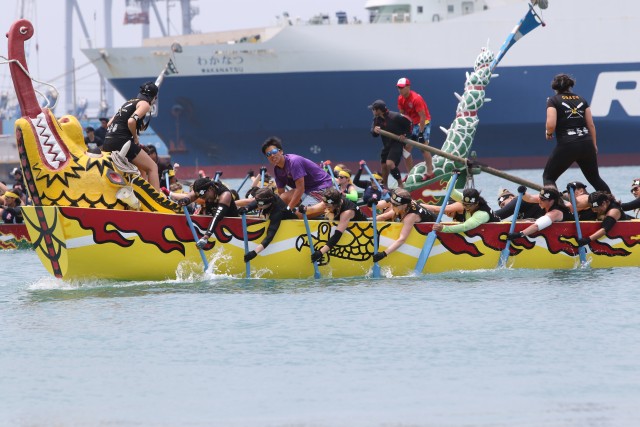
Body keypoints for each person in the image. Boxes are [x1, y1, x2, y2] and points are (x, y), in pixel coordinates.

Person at [543, 73, 610, 193]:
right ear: (570, 86)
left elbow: (551, 124)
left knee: (549, 177)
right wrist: (594, 145)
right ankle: (613, 206)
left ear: (555, 87)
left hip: (568, 144)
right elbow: (591, 125)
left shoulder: (553, 100)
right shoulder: (581, 99)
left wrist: (548, 133)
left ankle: (557, 208)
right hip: (587, 143)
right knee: (595, 178)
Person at [102, 81, 161, 190]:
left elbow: (109, 123)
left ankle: (141, 194)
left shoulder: (129, 102)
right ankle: (157, 199)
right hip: (122, 142)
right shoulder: (145, 104)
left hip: (108, 142)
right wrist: (135, 138)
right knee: (153, 167)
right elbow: (131, 121)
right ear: (154, 97)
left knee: (142, 169)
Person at [262, 136, 333, 209]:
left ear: (281, 151)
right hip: (306, 190)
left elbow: (300, 189)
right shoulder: (277, 170)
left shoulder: (294, 161)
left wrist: (288, 208)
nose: (272, 155)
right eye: (268, 154)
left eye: (274, 151)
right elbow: (281, 193)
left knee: (300, 213)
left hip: (322, 187)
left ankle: (325, 207)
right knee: (283, 198)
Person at [372, 188, 436, 262]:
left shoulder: (411, 216)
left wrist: (384, 253)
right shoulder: (403, 204)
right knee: (382, 216)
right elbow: (384, 214)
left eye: (395, 205)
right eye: (392, 203)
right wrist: (374, 203)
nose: (392, 206)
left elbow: (402, 239)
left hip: (434, 231)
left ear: (404, 205)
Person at [307, 187, 368, 263]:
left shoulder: (347, 213)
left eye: (328, 206)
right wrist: (303, 209)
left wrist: (320, 252)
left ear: (335, 205)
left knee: (328, 215)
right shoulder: (330, 200)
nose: (325, 206)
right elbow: (312, 209)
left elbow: (337, 235)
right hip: (341, 222)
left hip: (360, 234)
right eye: (325, 204)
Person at [240, 187, 299, 262]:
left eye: (260, 203)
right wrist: (246, 208)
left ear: (269, 202)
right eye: (257, 200)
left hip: (291, 227)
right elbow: (256, 203)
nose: (258, 204)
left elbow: (270, 236)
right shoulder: (267, 199)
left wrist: (254, 252)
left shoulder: (277, 212)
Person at [179, 177, 239, 249]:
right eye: (201, 197)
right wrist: (185, 200)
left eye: (204, 197)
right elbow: (191, 196)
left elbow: (216, 218)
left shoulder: (225, 195)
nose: (205, 199)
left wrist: (205, 237)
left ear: (210, 189)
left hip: (230, 227)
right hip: (213, 225)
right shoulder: (202, 189)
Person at [396, 77, 434, 180]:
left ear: (408, 87)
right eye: (398, 88)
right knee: (405, 150)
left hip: (423, 122)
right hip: (412, 123)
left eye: (402, 87)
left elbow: (423, 117)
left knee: (423, 147)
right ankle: (411, 173)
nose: (400, 90)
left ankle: (430, 172)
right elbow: (402, 116)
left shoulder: (416, 99)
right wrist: (402, 132)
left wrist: (421, 133)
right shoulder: (400, 98)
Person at [369, 99, 412, 188]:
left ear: (378, 110)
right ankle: (385, 186)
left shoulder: (395, 116)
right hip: (387, 145)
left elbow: (409, 124)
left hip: (397, 143)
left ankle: (400, 183)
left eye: (373, 109)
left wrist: (405, 135)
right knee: (384, 165)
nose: (372, 111)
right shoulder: (376, 120)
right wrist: (375, 130)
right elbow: (373, 134)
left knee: (390, 163)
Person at [506, 186, 573, 241]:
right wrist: (523, 193)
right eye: (540, 197)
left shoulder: (555, 213)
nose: (539, 200)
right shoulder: (545, 200)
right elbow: (530, 198)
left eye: (543, 199)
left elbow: (537, 226)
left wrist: (519, 234)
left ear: (552, 201)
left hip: (569, 235)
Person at [432, 188, 499, 234]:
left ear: (476, 204)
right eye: (464, 204)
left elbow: (465, 226)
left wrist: (444, 228)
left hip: (496, 234)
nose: (466, 208)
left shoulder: (482, 214)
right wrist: (454, 176)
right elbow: (451, 191)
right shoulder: (469, 200)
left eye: (469, 205)